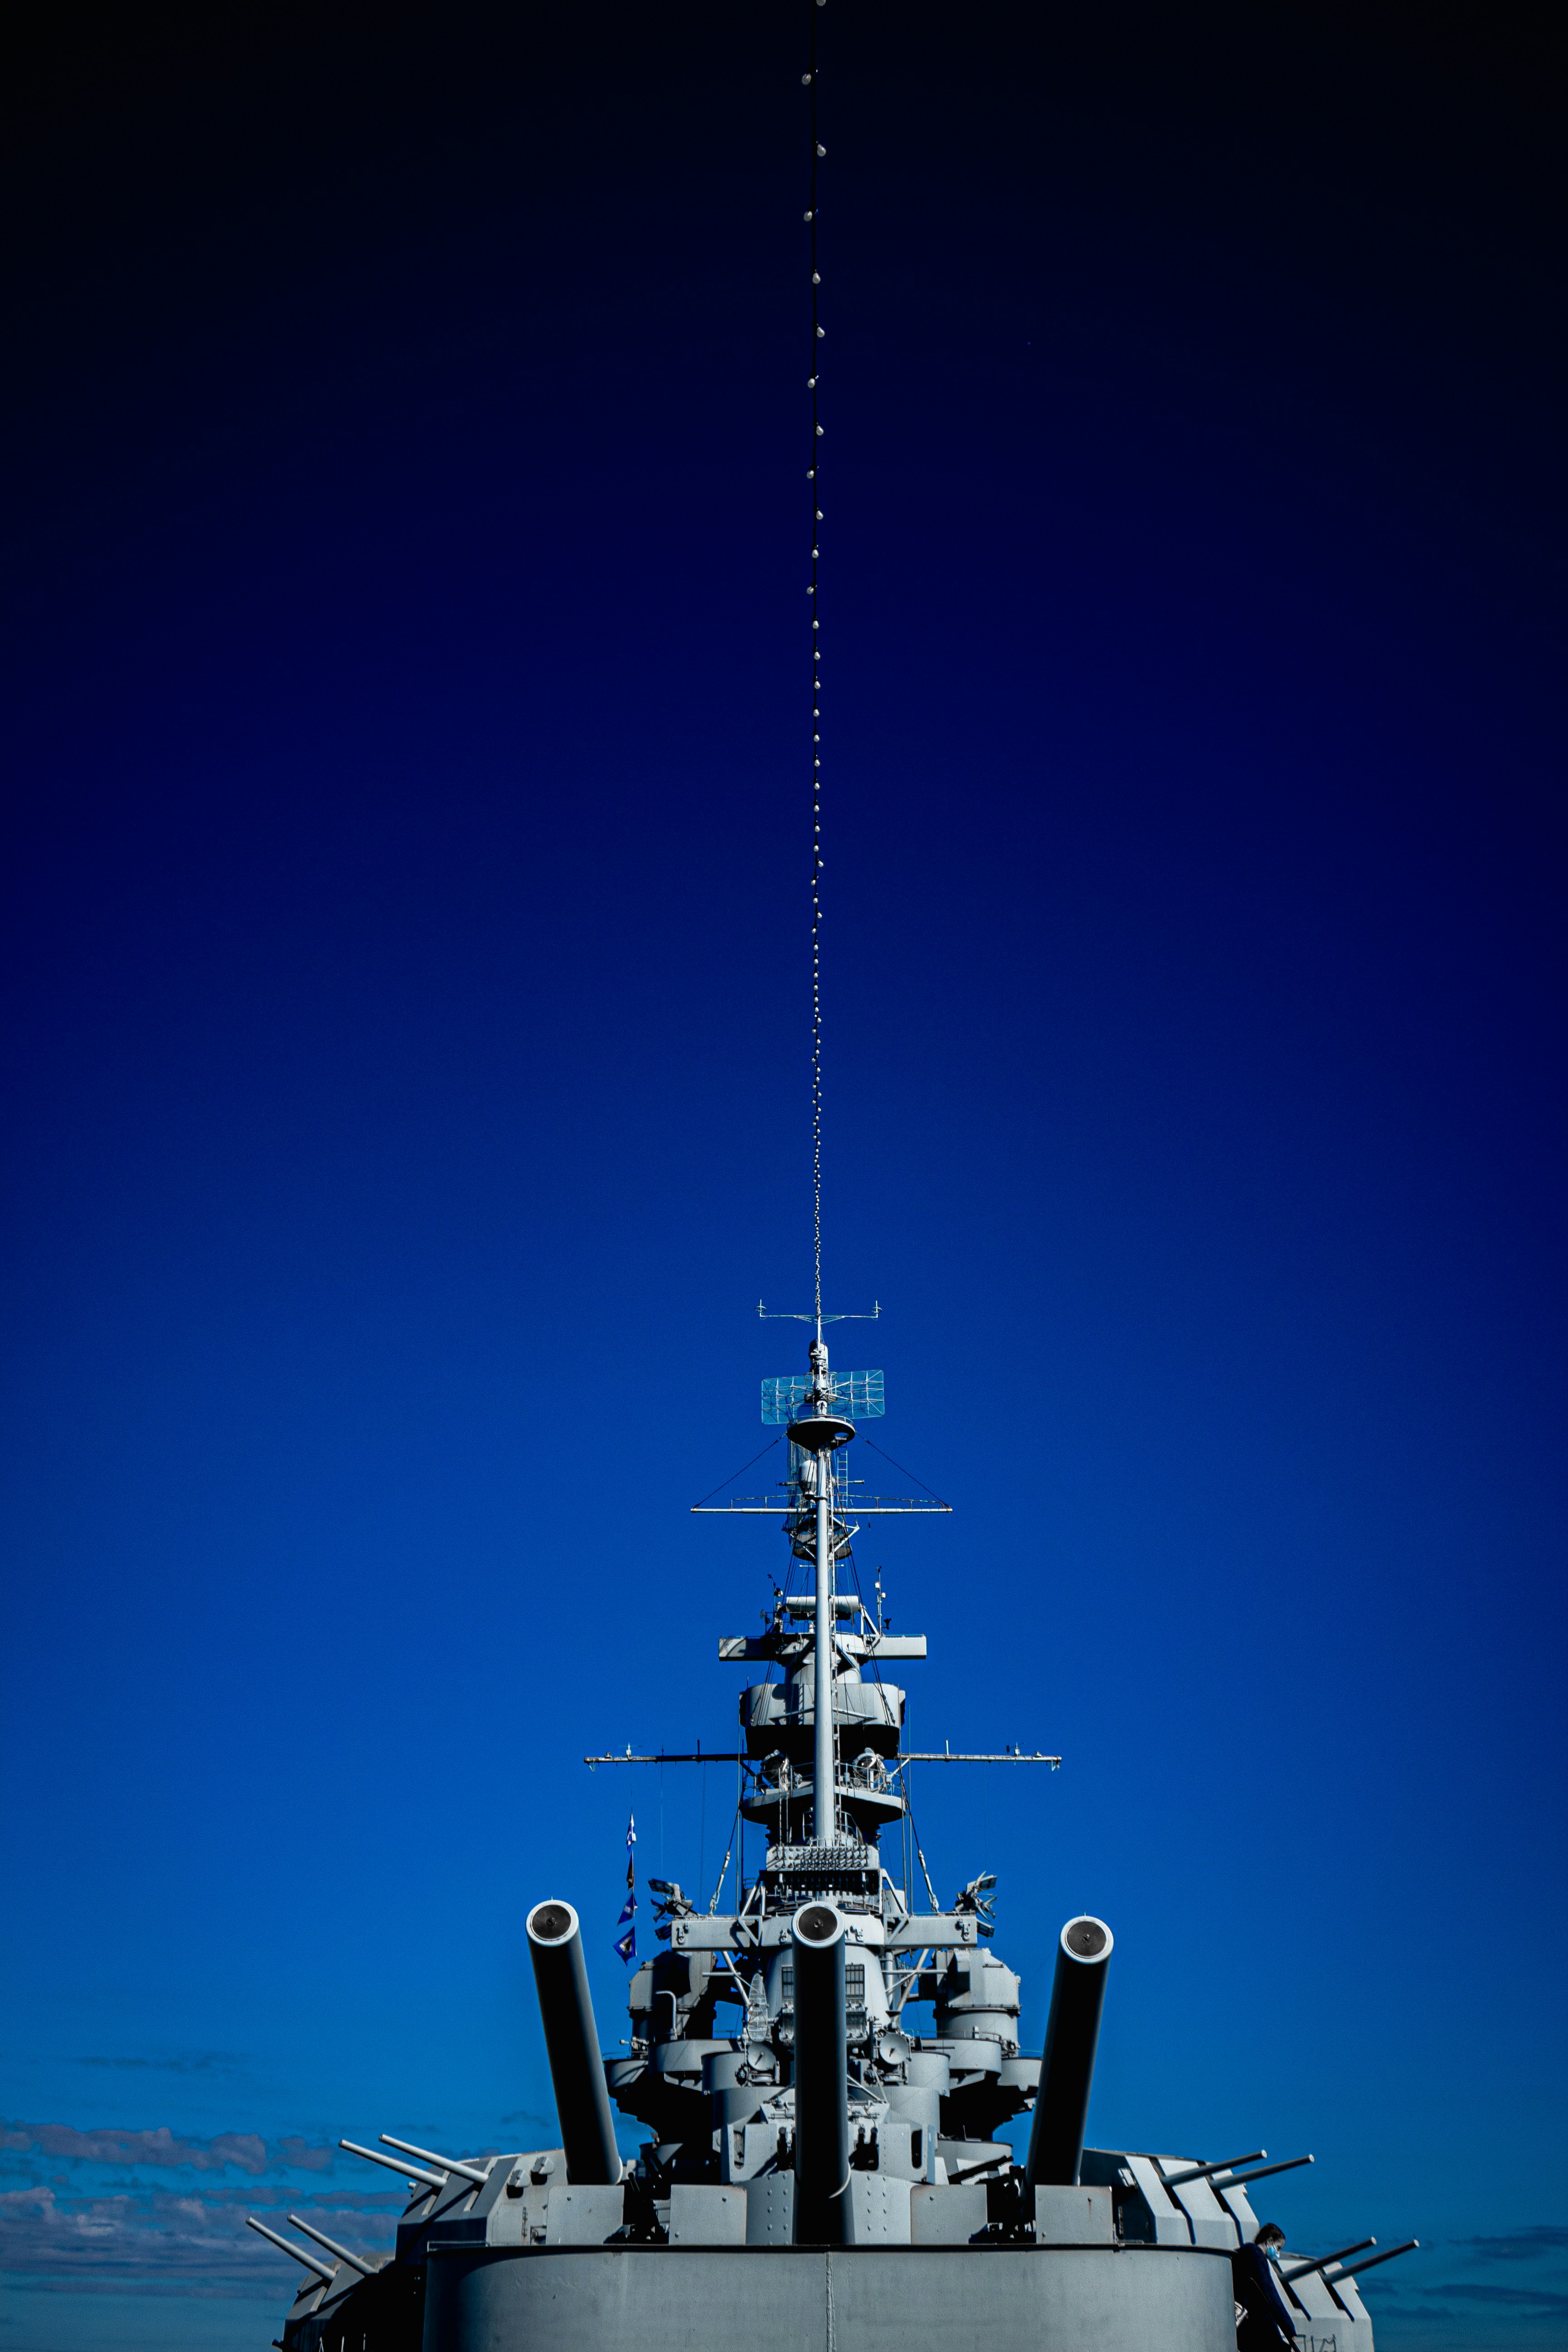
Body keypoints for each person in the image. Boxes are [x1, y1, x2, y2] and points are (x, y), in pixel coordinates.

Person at [1232, 2222, 1299, 2349]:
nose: (1278, 2253)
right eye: (1278, 2248)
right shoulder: (1256, 2255)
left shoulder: (1243, 2253)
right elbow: (1269, 2293)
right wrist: (1288, 2327)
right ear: (1269, 2242)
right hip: (1248, 2319)